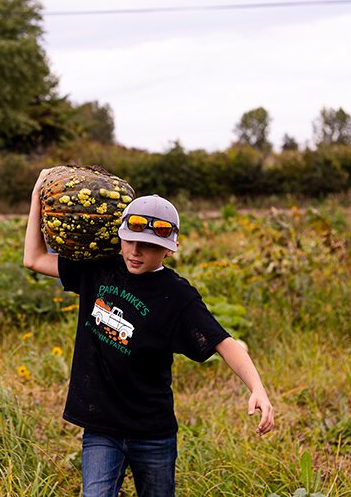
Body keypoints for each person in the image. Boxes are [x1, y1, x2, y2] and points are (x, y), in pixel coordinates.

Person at [23, 169, 274, 497]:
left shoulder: (177, 296)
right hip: (101, 428)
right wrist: (36, 198)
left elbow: (225, 343)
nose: (135, 252)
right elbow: (34, 258)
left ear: (170, 249)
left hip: (152, 433)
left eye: (149, 246)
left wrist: (257, 388)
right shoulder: (99, 269)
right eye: (130, 241)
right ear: (119, 235)